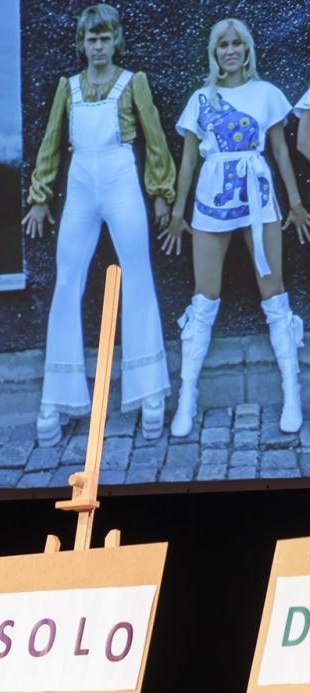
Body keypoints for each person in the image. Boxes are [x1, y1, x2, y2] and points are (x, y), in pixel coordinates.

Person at [24, 4, 175, 447]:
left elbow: (156, 139)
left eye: (105, 38)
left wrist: (161, 192)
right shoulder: (68, 87)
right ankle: (55, 398)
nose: (98, 46)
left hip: (121, 182)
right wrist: (39, 197)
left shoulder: (132, 82)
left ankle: (150, 392)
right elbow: (51, 143)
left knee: (138, 278)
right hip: (81, 188)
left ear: (116, 41)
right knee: (66, 282)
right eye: (92, 39)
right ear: (82, 44)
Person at [161, 17, 310, 437]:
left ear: (247, 50)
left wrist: (295, 202)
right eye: (222, 45)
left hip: (258, 193)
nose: (230, 50)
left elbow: (280, 150)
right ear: (214, 52)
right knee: (204, 295)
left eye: (236, 43)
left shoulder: (266, 93)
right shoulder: (200, 98)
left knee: (273, 292)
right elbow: (189, 159)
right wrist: (178, 212)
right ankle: (187, 396)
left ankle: (292, 391)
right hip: (212, 196)